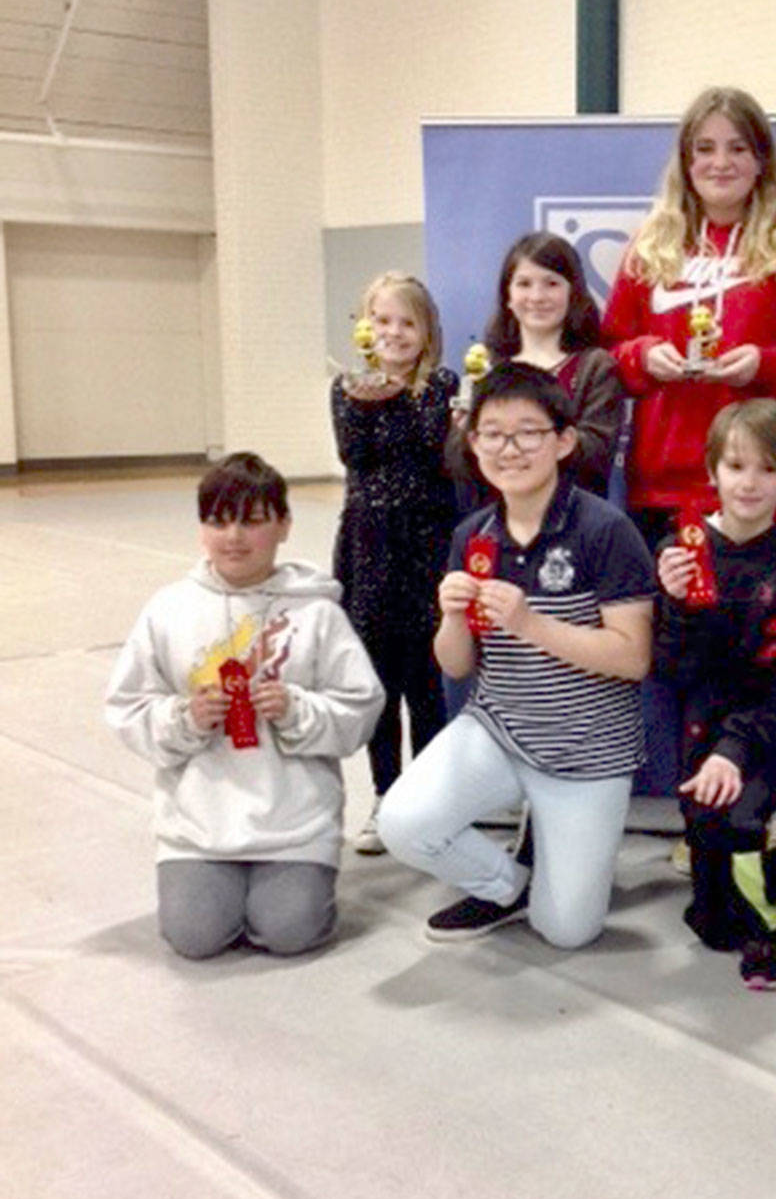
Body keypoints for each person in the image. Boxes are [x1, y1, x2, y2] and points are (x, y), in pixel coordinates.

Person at [378, 364, 654, 951]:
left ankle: (551, 862)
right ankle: (511, 883)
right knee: (401, 823)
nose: (510, 448)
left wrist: (529, 622)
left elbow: (632, 658)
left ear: (564, 440)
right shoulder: (472, 536)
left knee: (568, 932)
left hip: (587, 749)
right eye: (493, 433)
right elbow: (456, 666)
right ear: (472, 442)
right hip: (498, 729)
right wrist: (452, 615)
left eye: (529, 432)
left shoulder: (606, 530)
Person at [104, 453, 385, 960]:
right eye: (217, 521)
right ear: (201, 529)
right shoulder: (169, 610)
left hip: (293, 823)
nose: (233, 536)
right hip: (200, 825)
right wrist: (183, 719)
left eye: (252, 521)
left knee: (289, 933)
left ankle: (289, 890)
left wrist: (297, 710)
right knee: (195, 939)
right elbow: (127, 705)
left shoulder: (317, 612)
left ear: (283, 525)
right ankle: (220, 890)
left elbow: (361, 706)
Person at [603, 85, 776, 549]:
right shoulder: (648, 247)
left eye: (737, 147)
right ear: (685, 162)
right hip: (662, 492)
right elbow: (607, 356)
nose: (721, 162)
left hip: (760, 492)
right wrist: (643, 358)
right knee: (668, 623)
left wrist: (765, 365)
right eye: (705, 149)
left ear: (762, 159)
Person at [654, 399, 776, 991]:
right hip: (705, 729)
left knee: (740, 823)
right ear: (712, 471)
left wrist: (735, 751)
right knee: (711, 924)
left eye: (767, 469)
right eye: (735, 466)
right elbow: (674, 670)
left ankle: (773, 918)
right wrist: (675, 608)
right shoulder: (684, 553)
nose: (749, 483)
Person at [330, 271, 459, 854]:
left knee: (425, 682)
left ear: (427, 331)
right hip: (367, 545)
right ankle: (386, 794)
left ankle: (428, 801)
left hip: (426, 546)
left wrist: (391, 396)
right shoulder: (346, 388)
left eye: (407, 322)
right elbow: (355, 453)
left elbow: (429, 450)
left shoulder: (440, 387)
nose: (394, 332)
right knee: (377, 683)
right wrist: (371, 391)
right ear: (364, 326)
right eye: (383, 320)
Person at [481, 232, 625, 497]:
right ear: (507, 296)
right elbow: (461, 460)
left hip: (576, 523)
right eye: (524, 284)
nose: (537, 296)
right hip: (500, 521)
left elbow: (596, 454)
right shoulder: (487, 368)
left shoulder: (596, 368)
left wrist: (520, 440)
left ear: (573, 292)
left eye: (551, 283)